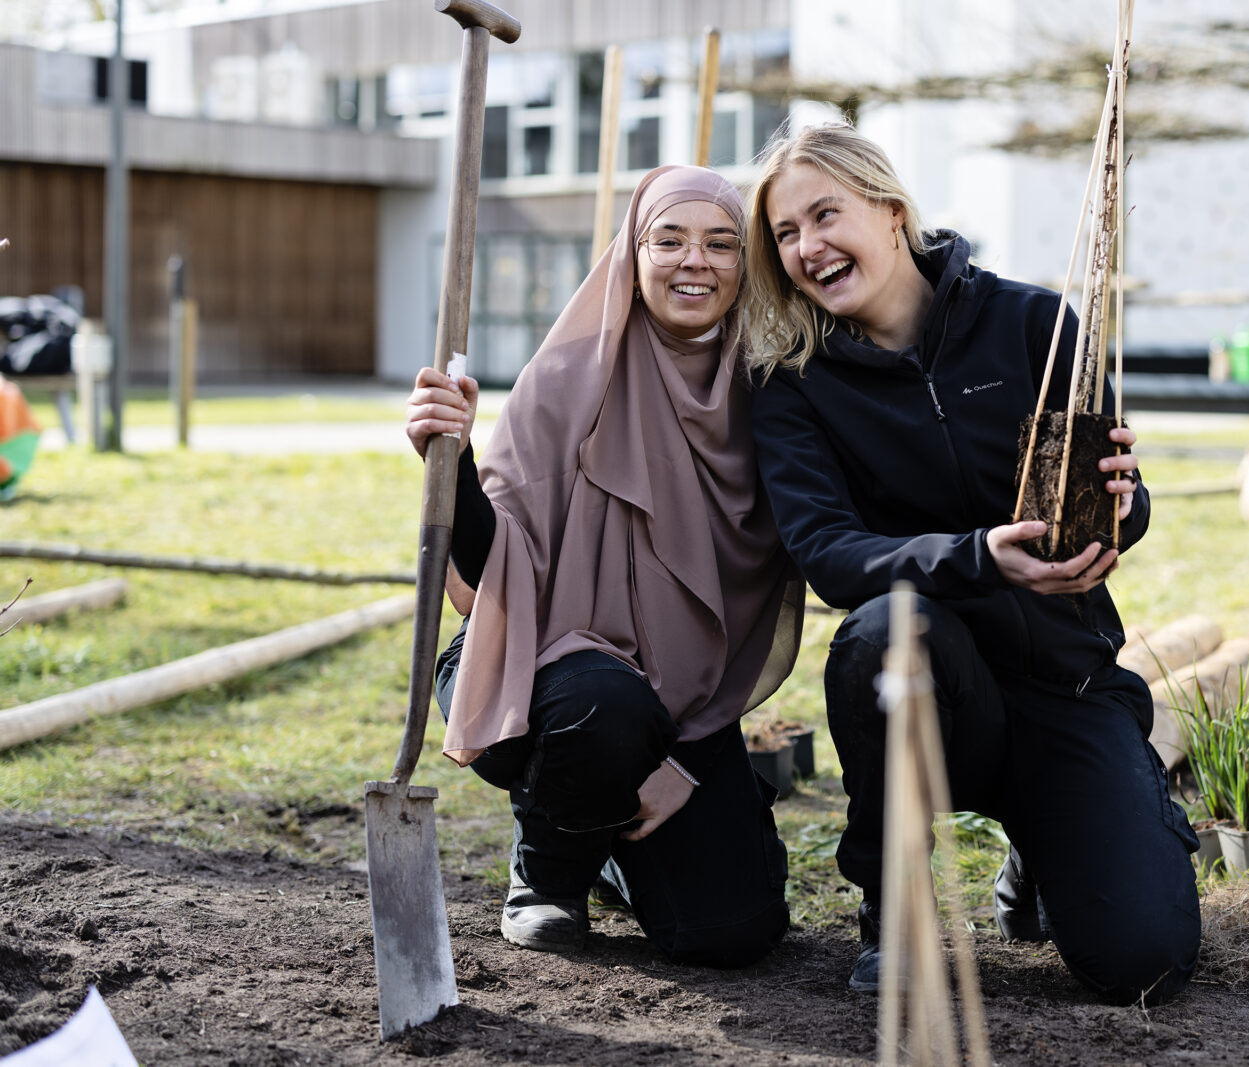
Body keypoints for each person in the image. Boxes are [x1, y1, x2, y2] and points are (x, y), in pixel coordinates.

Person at [741, 125, 1201, 1004]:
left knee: (1146, 961)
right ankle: (897, 900)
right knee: (884, 630)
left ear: (891, 210)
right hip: (932, 694)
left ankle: (1049, 839)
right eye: (785, 235)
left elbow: (1118, 503)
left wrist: (1120, 502)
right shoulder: (793, 384)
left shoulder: (1035, 324)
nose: (805, 248)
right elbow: (829, 554)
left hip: (1064, 684)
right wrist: (979, 558)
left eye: (823, 214)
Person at [404, 164, 802, 968]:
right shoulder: (565, 377)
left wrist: (690, 763)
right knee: (603, 707)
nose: (696, 261)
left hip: (692, 698)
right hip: (542, 662)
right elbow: (492, 570)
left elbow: (760, 604)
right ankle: (547, 872)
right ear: (634, 250)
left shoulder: (769, 399)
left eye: (722, 244)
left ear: (746, 264)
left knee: (731, 930)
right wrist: (453, 460)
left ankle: (611, 844)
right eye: (671, 239)